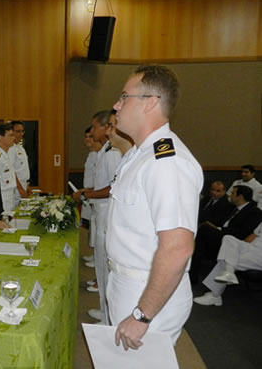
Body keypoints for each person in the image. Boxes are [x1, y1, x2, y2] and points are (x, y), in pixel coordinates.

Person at [106, 65, 203, 349]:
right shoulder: (141, 154)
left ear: (150, 103)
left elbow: (178, 248)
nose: (116, 104)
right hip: (128, 283)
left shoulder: (166, 161)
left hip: (147, 292)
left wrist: (142, 315)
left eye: (124, 97)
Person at [73, 110, 122, 324]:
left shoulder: (112, 154)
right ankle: (104, 312)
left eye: (94, 127)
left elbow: (114, 187)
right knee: (101, 270)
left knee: (105, 270)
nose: (92, 131)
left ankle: (108, 316)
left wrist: (88, 193)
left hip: (107, 215)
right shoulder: (103, 152)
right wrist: (88, 190)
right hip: (99, 213)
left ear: (105, 127)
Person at [190, 185, 262, 283]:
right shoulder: (232, 207)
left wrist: (219, 229)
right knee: (203, 234)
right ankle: (210, 288)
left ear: (240, 197)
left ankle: (206, 286)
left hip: (239, 242)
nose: (229, 195)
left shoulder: (254, 212)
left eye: (233, 193)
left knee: (204, 232)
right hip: (228, 239)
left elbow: (243, 233)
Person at [193, 221, 262, 306]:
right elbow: (252, 237)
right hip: (252, 248)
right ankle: (229, 272)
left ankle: (215, 295)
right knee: (228, 238)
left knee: (229, 258)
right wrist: (238, 248)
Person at [0, 123, 18, 211]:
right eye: (10, 135)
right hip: (3, 200)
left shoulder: (5, 155)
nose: (14, 138)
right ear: (0, 137)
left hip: (11, 198)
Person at [8, 120, 31, 204]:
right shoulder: (10, 149)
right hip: (16, 189)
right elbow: (11, 171)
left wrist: (27, 185)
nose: (21, 134)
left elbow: (23, 169)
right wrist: (20, 188)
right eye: (18, 131)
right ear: (11, 132)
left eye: (22, 131)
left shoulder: (20, 148)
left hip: (23, 185)